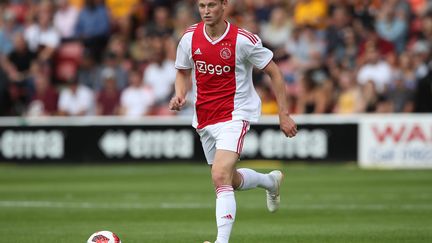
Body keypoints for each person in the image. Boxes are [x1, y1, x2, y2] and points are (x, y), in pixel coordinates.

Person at [168, 1, 297, 243]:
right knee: (229, 179)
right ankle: (269, 181)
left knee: (219, 175)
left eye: (212, 5)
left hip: (235, 114)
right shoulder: (189, 37)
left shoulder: (243, 39)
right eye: (202, 5)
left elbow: (275, 72)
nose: (206, 10)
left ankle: (221, 241)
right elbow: (182, 71)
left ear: (224, 5)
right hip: (204, 117)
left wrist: (283, 113)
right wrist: (180, 94)